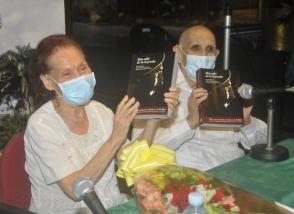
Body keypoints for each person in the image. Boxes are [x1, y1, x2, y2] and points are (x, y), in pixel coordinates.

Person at [24, 34, 179, 214]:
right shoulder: (41, 126)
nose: (79, 77)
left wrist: (155, 114)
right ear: (47, 82)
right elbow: (75, 190)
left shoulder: (99, 111)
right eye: (67, 73)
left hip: (113, 208)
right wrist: (115, 138)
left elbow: (132, 159)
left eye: (83, 68)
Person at [133, 25, 267, 171]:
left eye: (209, 49)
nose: (203, 55)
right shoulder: (157, 88)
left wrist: (246, 121)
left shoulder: (225, 87)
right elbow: (138, 153)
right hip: (188, 178)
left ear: (217, 54)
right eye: (195, 48)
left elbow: (263, 145)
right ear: (178, 51)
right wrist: (190, 122)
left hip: (234, 171)